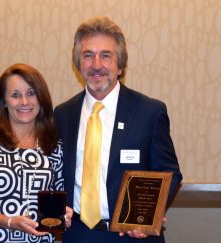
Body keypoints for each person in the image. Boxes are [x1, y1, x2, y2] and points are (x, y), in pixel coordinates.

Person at [53, 16, 183, 243]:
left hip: (132, 237)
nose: (96, 65)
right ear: (78, 64)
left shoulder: (149, 112)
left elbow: (169, 173)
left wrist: (149, 215)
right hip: (78, 235)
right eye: (87, 55)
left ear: (120, 65)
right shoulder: (63, 114)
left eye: (105, 55)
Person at [0, 63, 72, 243]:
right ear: (4, 101)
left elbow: (59, 198)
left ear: (41, 98)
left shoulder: (54, 146)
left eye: (31, 93)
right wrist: (9, 222)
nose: (25, 102)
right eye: (15, 95)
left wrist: (64, 214)